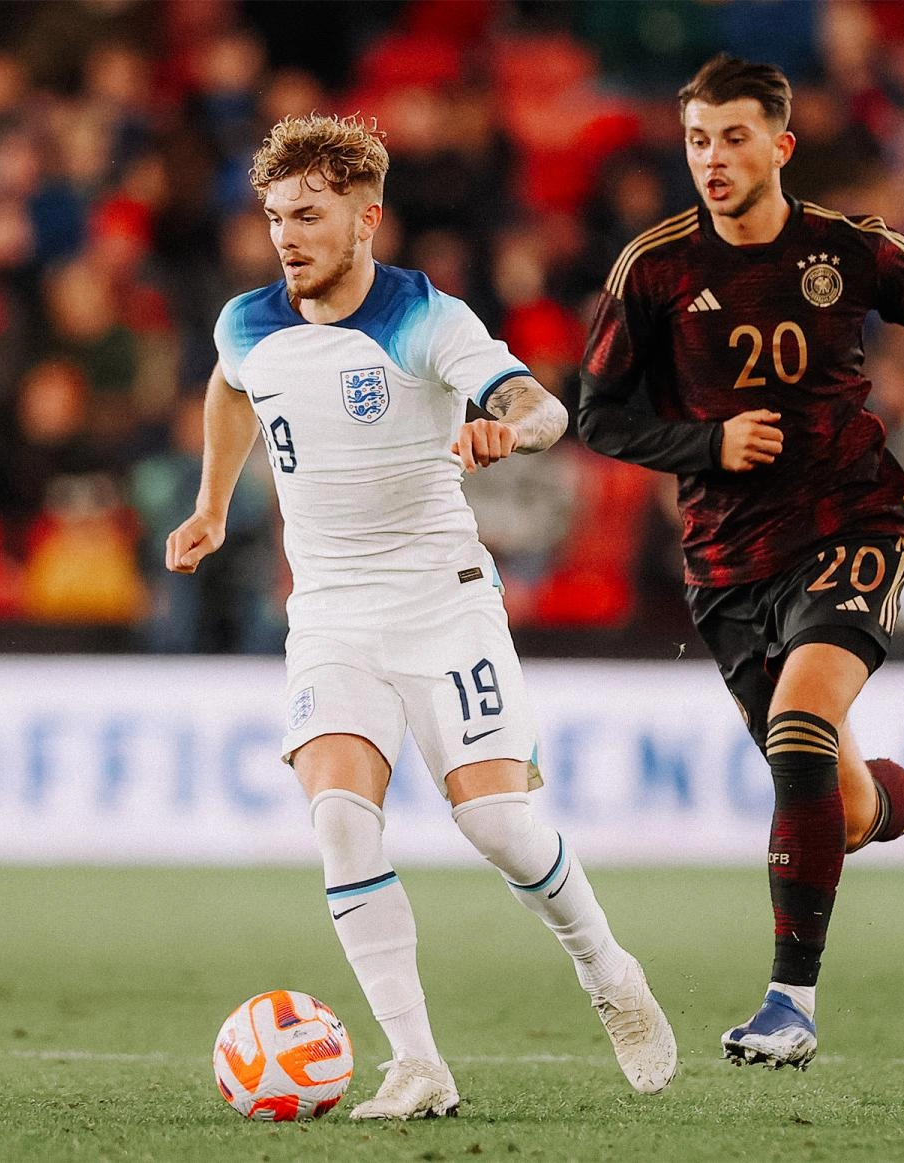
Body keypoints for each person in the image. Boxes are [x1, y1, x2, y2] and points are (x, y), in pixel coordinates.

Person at [167, 114, 677, 1120]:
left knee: (495, 823)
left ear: (367, 218)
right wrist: (213, 503)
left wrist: (508, 427)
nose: (287, 234)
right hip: (328, 614)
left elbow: (545, 406)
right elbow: (232, 394)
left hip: (442, 602)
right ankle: (419, 1062)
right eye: (275, 215)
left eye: (309, 214)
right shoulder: (247, 322)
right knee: (341, 823)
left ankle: (610, 971)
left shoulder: (424, 318)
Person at [578, 55, 904, 1073]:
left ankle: (790, 1002)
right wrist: (707, 446)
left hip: (854, 521)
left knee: (801, 719)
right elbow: (597, 415)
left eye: (734, 138)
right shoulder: (652, 268)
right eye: (698, 140)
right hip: (728, 563)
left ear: (779, 146)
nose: (714, 159)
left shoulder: (848, 249)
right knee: (848, 803)